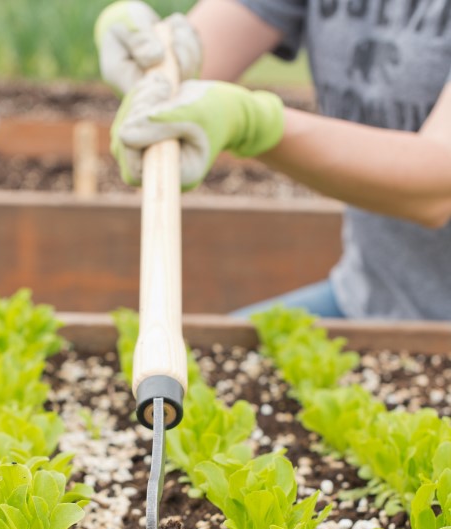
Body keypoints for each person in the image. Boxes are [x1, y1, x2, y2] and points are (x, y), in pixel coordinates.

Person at [94, 0, 451, 320]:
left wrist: (254, 124)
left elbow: (436, 190)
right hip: (367, 296)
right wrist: (152, 53)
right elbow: (192, 64)